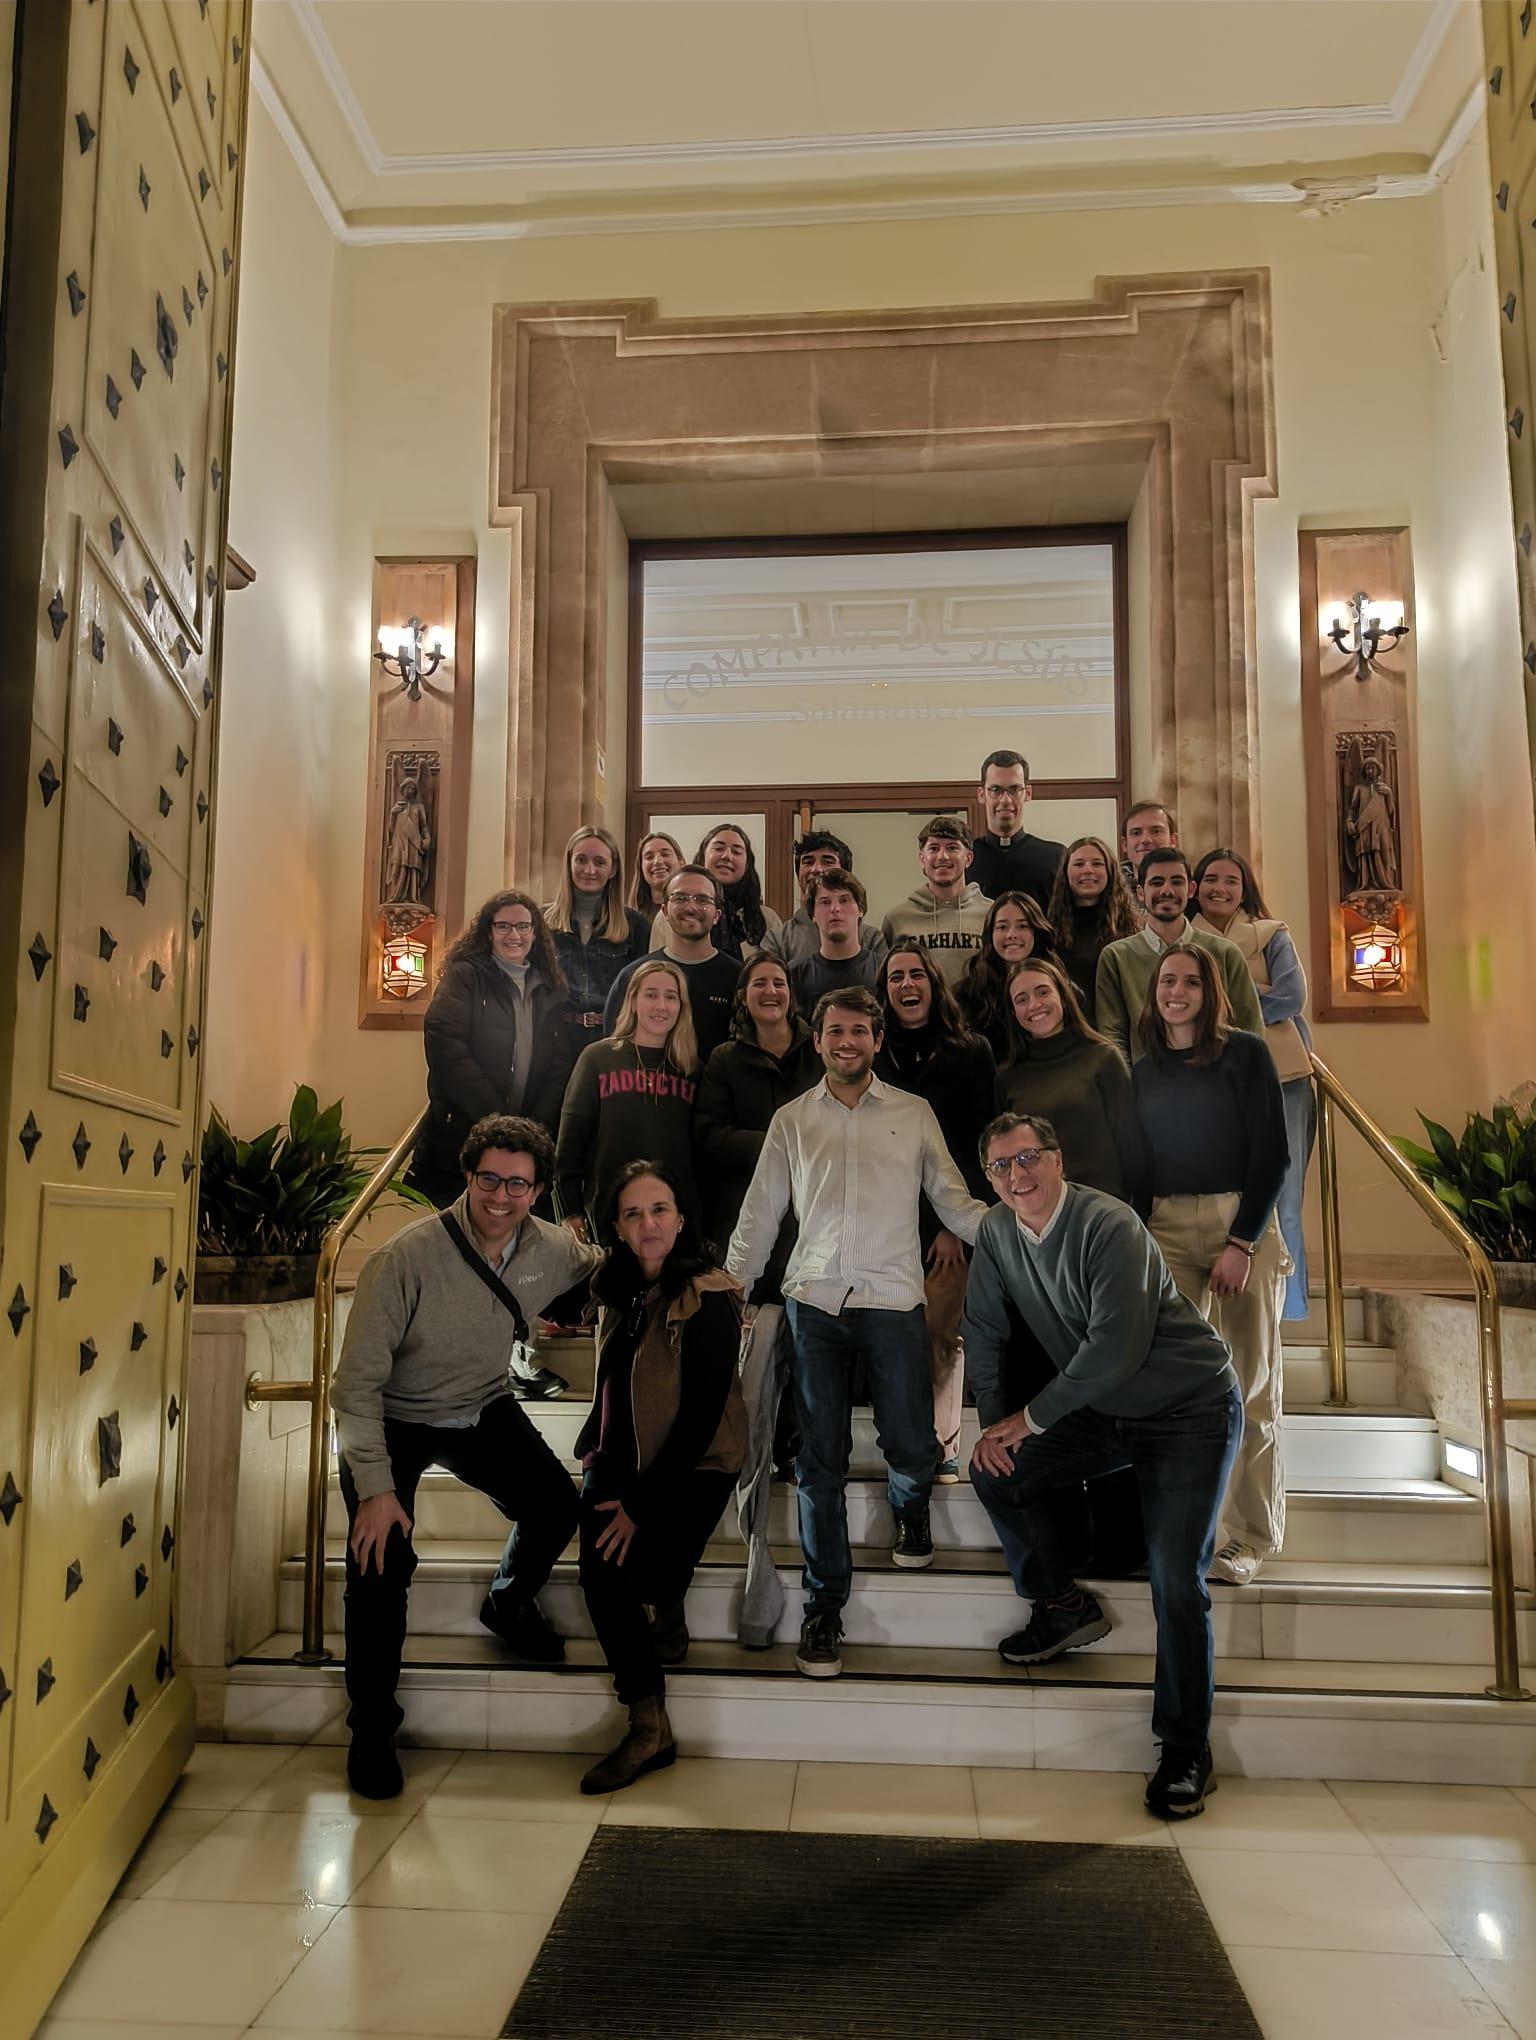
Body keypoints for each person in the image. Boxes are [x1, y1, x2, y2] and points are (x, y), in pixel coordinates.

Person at [963, 1111, 1241, 1820]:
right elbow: (986, 1330)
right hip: (1110, 1414)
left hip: (1189, 1411)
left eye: (1029, 1159)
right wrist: (998, 1426)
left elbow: (1114, 1349)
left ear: (1057, 1161)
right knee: (997, 1470)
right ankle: (1060, 1604)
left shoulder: (1106, 1224)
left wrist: (1029, 1418)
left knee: (1177, 1580)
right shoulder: (997, 1233)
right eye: (1002, 1166)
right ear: (989, 1180)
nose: (1018, 1176)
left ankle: (1185, 1751)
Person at [332, 1114, 602, 1799]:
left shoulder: (551, 1249)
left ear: (539, 1192)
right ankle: (370, 1730)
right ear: (468, 1176)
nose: (501, 1196)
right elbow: (355, 1384)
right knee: (378, 1563)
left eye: (518, 1184)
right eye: (489, 1179)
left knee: (555, 1504)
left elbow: (611, 1265)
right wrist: (375, 1487)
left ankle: (508, 1605)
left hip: (481, 1405)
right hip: (393, 1417)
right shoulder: (405, 1257)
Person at [727, 987, 987, 1680]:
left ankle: (911, 1509)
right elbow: (761, 1211)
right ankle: (824, 1609)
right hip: (813, 1300)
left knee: (909, 1438)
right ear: (818, 1040)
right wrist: (733, 1286)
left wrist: (1022, 1231)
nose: (847, 1042)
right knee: (819, 1461)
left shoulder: (913, 1113)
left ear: (878, 1040)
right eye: (835, 1031)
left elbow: (953, 1199)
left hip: (894, 1299)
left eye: (860, 1032)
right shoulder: (790, 1119)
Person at [575, 1161, 747, 1793]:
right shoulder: (614, 1289)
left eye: (659, 1210)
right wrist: (602, 1467)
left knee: (637, 1568)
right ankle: (649, 1726)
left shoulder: (711, 1293)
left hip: (694, 1461)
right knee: (600, 1572)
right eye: (632, 1213)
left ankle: (664, 1597)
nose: (648, 1224)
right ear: (616, 1227)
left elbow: (701, 1417)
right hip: (618, 1456)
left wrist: (639, 1506)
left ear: (680, 1219)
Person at [1133, 946, 1290, 1588]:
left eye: (1190, 982)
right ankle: (1187, 1533)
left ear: (1211, 991)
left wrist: (1243, 1242)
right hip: (1166, 1226)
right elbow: (1140, 1165)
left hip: (1239, 1222)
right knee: (1180, 1389)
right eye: (1167, 980)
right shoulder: (1142, 1071)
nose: (1177, 991)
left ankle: (1248, 1538)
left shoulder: (1246, 1053)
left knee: (1250, 1386)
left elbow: (1272, 1156)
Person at [695, 956, 821, 1646]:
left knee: (805, 1347)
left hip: (813, 1231)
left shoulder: (815, 1052)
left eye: (779, 981)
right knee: (752, 1355)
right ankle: (749, 1454)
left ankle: (798, 1445)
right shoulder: (723, 1060)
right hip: (743, 1225)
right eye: (759, 983)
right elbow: (709, 1139)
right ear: (744, 997)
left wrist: (793, 1148)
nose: (771, 991)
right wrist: (784, 1141)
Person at [410, 890, 577, 1395]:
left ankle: (516, 1360)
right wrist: (496, 1121)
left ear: (536, 934)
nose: (514, 935)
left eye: (524, 927)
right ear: (488, 931)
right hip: (464, 1142)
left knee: (516, 1256)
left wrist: (533, 1130)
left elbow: (557, 1065)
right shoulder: (466, 977)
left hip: (524, 1144)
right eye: (504, 926)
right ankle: (463, 1369)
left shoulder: (549, 988)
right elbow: (445, 1042)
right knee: (468, 1258)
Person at [876, 946, 995, 1482]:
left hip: (949, 1223)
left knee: (940, 1331)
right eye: (896, 976)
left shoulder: (971, 1052)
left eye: (916, 974)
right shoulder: (872, 1055)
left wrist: (953, 1224)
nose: (907, 983)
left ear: (932, 983)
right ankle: (902, 1439)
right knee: (893, 1336)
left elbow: (979, 1142)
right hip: (887, 1223)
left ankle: (943, 1445)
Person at [1192, 847, 1315, 1321]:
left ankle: (1290, 1310)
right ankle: (1234, 1305)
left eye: (1231, 880)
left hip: (1284, 1074)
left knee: (1284, 1196)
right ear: (1195, 886)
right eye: (1210, 879)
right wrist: (1251, 993)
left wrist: (1222, 1003)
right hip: (1212, 1081)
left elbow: (1291, 996)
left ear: (1246, 889)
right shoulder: (1183, 937)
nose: (1220, 889)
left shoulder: (1272, 934)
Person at [558, 958, 701, 1242]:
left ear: (681, 1007)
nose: (661, 1005)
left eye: (671, 997)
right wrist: (570, 1211)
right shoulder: (597, 1058)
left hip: (675, 1225)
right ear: (633, 1001)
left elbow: (700, 1156)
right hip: (607, 1220)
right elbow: (569, 1147)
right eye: (651, 995)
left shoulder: (692, 1069)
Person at [995, 958, 1145, 1206]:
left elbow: (1132, 1150)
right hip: (1039, 1219)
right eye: (1021, 999)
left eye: (1043, 992)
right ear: (1013, 1012)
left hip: (1105, 1213)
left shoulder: (1103, 1057)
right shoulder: (1007, 1077)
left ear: (1063, 996)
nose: (1034, 1004)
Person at [1095, 847, 1263, 1064]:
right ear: (1140, 892)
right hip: (1148, 1087)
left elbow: (1250, 1025)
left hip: (1217, 1083)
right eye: (1156, 883)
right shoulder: (1116, 957)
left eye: (1176, 882)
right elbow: (1112, 1034)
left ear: (1191, 889)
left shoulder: (1225, 953)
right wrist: (1129, 1087)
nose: (1167, 890)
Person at [605, 865, 739, 1059]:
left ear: (717, 915)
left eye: (702, 900)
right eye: (680, 898)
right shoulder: (633, 976)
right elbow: (613, 1050)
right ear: (665, 911)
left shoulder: (739, 978)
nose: (691, 907)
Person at [544, 825, 651, 1051]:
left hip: (612, 1041)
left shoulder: (636, 925)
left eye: (599, 862)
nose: (589, 869)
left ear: (613, 869)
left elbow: (642, 991)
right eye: (581, 860)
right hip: (554, 1042)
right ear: (569, 863)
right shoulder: (541, 922)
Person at [879, 814, 990, 986]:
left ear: (968, 858)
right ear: (922, 859)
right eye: (933, 848)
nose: (942, 856)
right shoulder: (897, 918)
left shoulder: (992, 914)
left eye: (952, 848)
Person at [1047, 835, 1140, 1025]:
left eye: (1097, 864)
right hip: (1070, 1033)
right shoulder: (1049, 932)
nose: (1088, 870)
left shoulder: (1132, 929)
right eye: (1079, 864)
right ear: (1065, 872)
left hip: (1119, 1034)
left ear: (1110, 871)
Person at [762, 829, 888, 968]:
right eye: (808, 862)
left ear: (846, 875)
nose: (816, 869)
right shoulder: (778, 940)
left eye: (827, 861)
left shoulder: (872, 939)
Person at [955, 890, 1059, 1059]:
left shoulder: (1062, 988)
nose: (1012, 935)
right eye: (1002, 927)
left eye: (1023, 926)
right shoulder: (967, 994)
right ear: (990, 934)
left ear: (1036, 931)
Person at [966, 750, 1065, 909]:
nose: (1005, 800)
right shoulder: (965, 859)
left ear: (1028, 793)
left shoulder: (1057, 857)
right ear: (981, 794)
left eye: (1014, 789)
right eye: (995, 790)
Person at [786, 866, 883, 1010]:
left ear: (860, 909)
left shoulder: (882, 969)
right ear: (812, 914)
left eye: (844, 900)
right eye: (825, 902)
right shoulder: (795, 974)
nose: (835, 908)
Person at [696, 822, 782, 961]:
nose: (727, 856)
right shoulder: (677, 911)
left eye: (736, 852)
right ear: (702, 857)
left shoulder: (767, 919)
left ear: (747, 864)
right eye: (718, 848)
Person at [1119, 798, 1178, 896]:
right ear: (1124, 844)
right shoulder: (1108, 891)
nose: (1145, 840)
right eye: (1136, 833)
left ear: (1173, 840)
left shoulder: (1194, 888)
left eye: (1156, 831)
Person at [628, 830, 685, 918]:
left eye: (665, 854)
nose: (657, 861)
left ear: (681, 863)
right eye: (649, 857)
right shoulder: (629, 918)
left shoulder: (693, 911)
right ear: (641, 868)